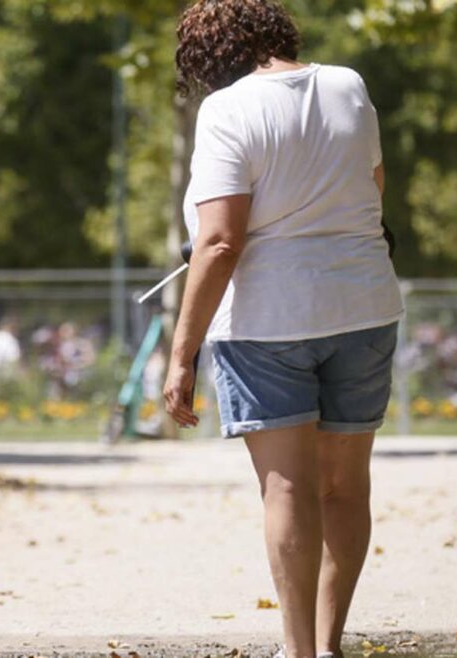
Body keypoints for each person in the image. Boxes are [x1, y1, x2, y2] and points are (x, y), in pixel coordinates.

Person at [162, 2, 403, 657]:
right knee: (346, 487)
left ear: (209, 52)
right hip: (365, 307)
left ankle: (298, 654)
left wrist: (181, 354)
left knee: (289, 488)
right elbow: (371, 192)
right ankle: (329, 645)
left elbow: (219, 242)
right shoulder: (349, 84)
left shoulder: (226, 110)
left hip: (267, 321)